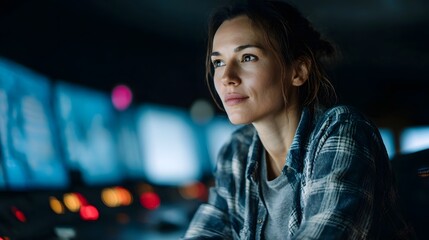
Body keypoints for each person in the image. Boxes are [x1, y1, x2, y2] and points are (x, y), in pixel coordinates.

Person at [183, 0, 414, 239]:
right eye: (218, 62)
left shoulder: (342, 130)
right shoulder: (236, 152)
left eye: (247, 57)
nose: (226, 77)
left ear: (298, 71)